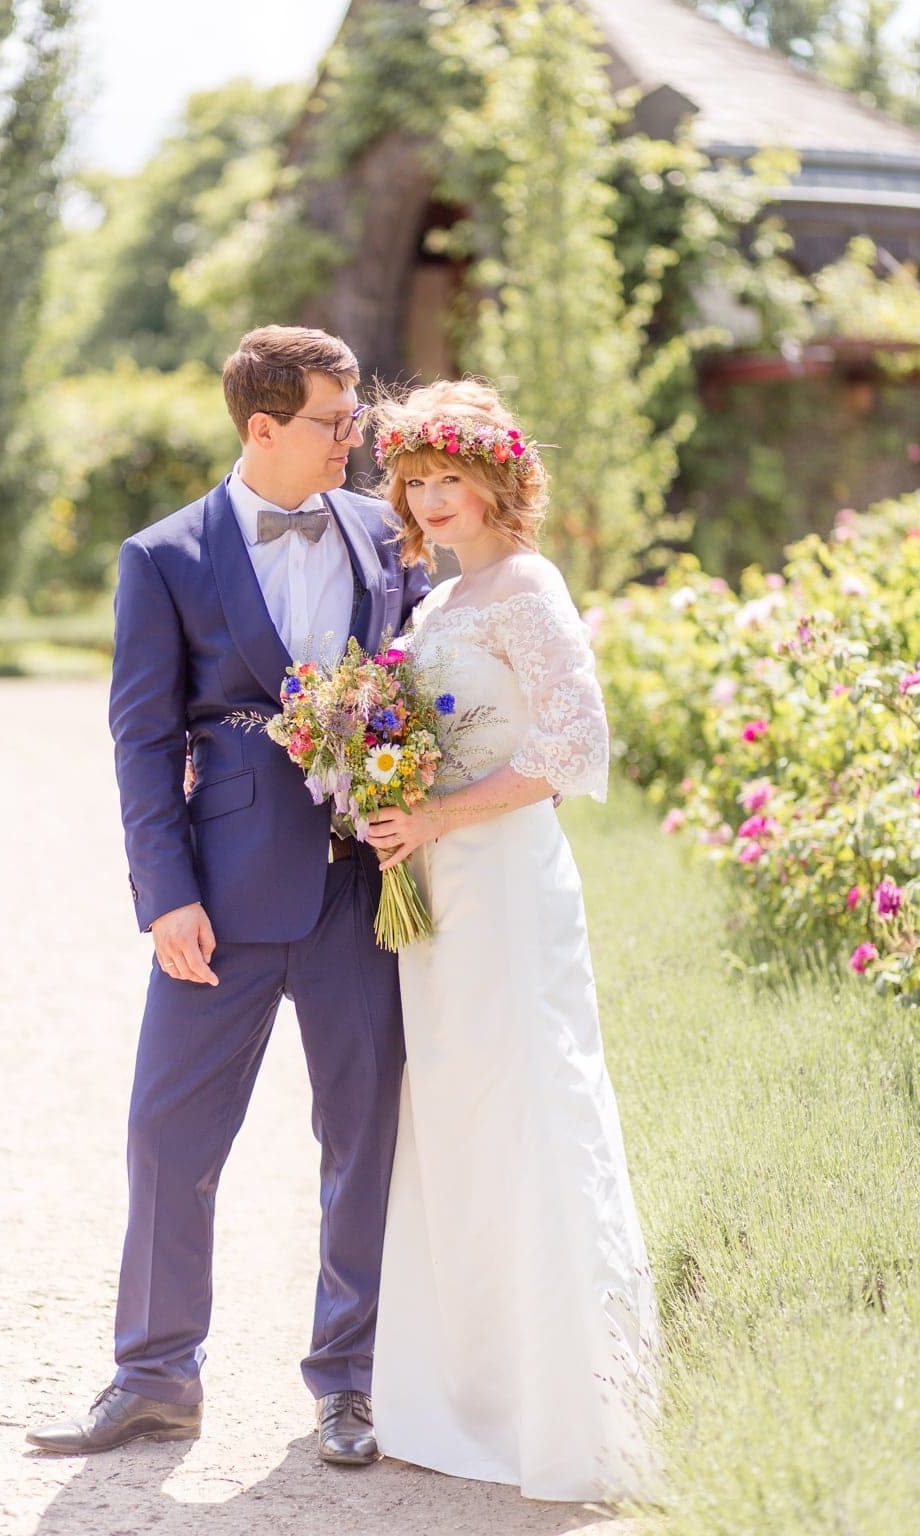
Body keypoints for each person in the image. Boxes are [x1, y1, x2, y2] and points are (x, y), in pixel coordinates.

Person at [26, 326, 430, 1465]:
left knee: (362, 1138)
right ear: (263, 428)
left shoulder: (385, 536)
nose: (355, 439)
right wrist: (163, 896)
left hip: (362, 891)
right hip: (220, 900)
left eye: (353, 417)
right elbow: (142, 739)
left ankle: (348, 1384)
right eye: (332, 422)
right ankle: (154, 1376)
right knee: (167, 1135)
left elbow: (418, 691)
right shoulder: (163, 557)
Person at [364, 380, 659, 1503]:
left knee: (529, 1099)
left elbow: (578, 749)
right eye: (417, 483)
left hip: (505, 881)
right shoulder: (435, 608)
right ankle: (461, 1396)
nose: (432, 501)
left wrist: (437, 814)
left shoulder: (527, 586)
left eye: (450, 479)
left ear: (497, 479)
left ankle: (565, 1412)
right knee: (453, 1112)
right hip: (434, 888)